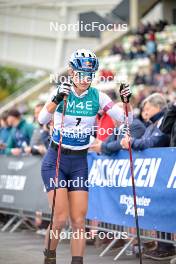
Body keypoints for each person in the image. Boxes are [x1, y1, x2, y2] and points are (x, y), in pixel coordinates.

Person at [38, 49, 133, 264]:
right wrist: (55, 99)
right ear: (72, 72)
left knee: (79, 221)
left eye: (89, 75)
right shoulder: (62, 91)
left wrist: (126, 102)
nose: (85, 79)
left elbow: (126, 119)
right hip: (56, 160)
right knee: (60, 218)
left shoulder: (98, 96)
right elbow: (43, 119)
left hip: (79, 161)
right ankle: (49, 258)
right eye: (81, 74)